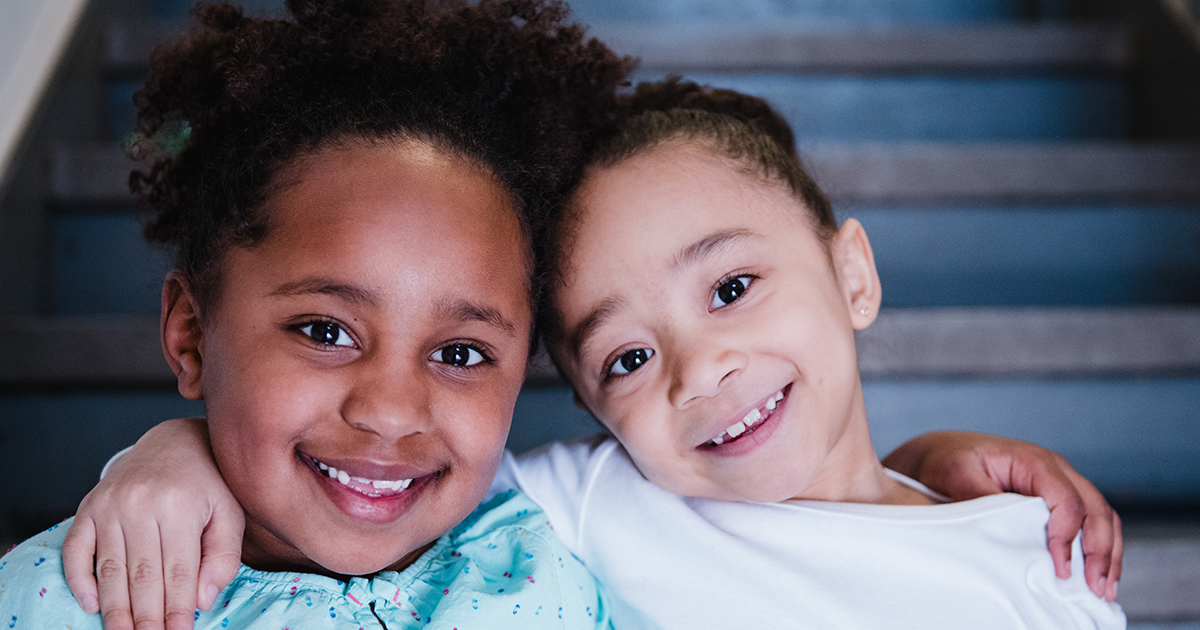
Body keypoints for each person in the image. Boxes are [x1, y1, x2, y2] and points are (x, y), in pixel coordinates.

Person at [0, 0, 633, 627]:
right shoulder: (54, 600)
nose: (390, 411)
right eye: (327, 332)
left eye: (460, 353)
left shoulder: (559, 562)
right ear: (192, 336)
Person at [507, 78, 1126, 627]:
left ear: (851, 277)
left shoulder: (1038, 558)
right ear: (594, 410)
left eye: (731, 289)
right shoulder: (599, 499)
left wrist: (911, 465)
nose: (699, 369)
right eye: (628, 360)